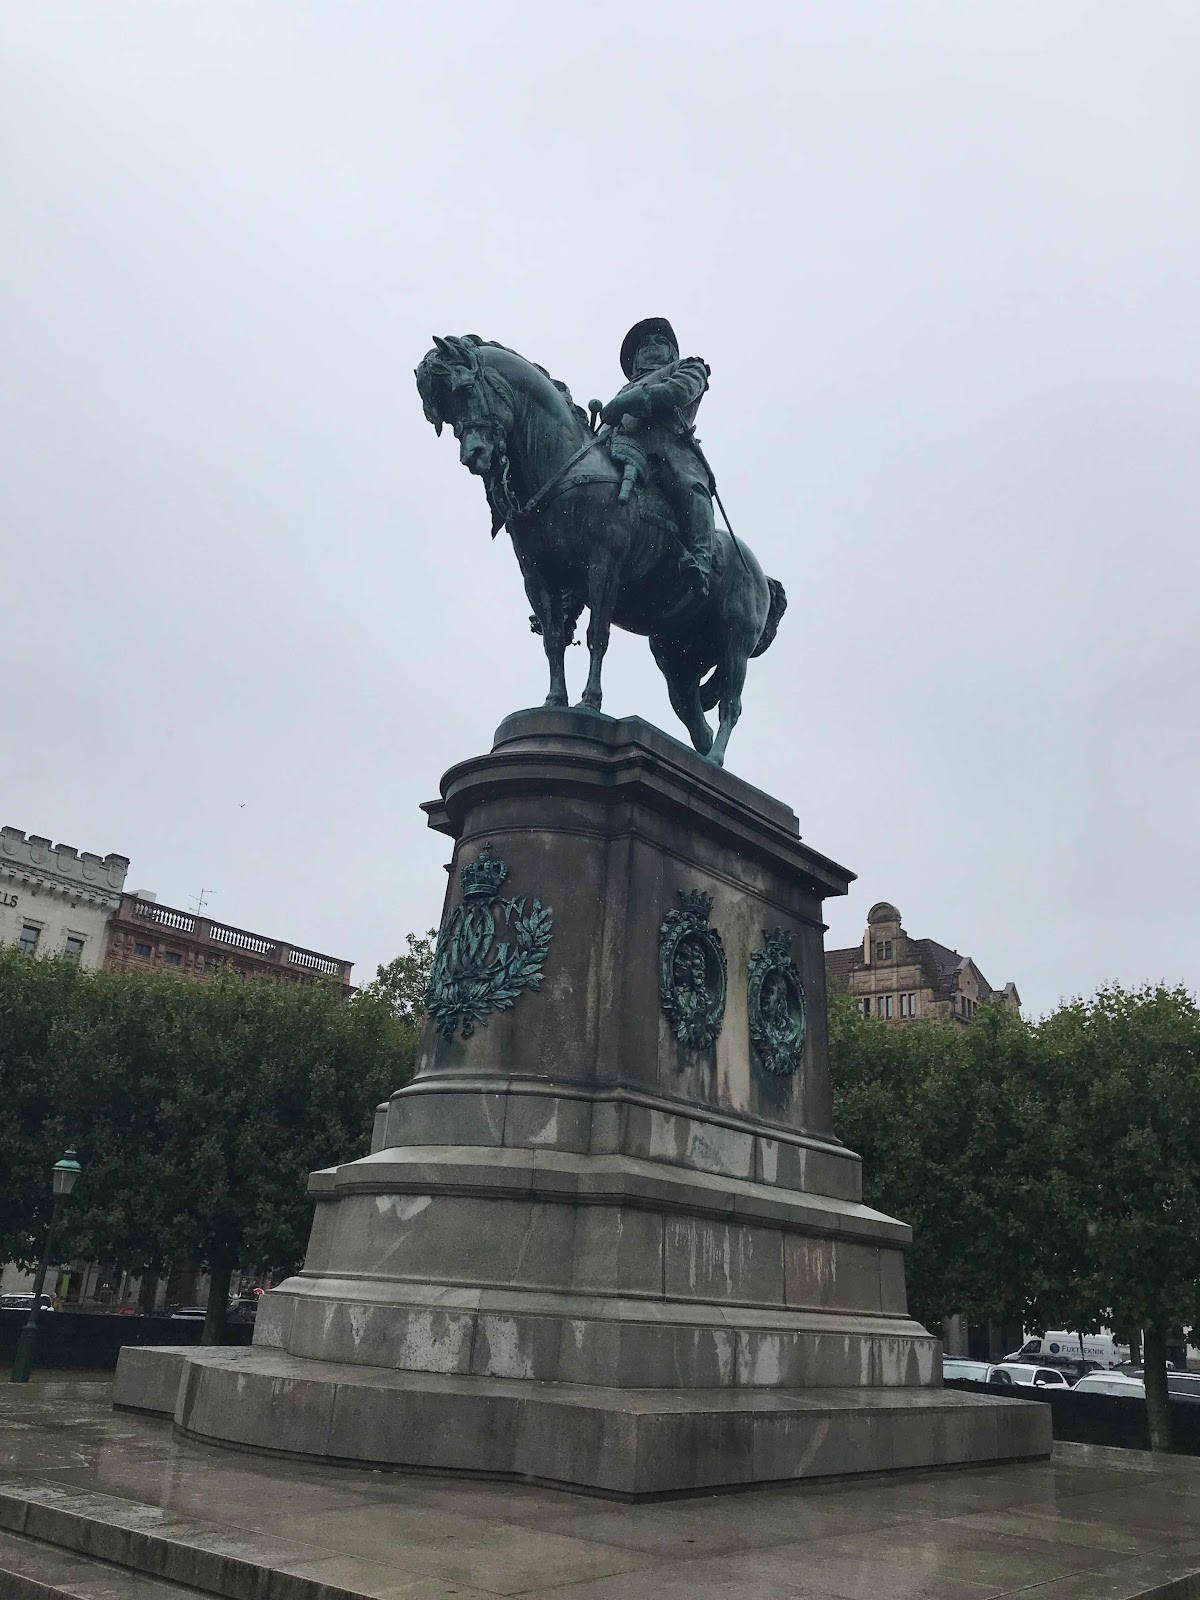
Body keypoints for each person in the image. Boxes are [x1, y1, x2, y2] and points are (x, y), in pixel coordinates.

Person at [601, 317, 715, 597]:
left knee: (689, 487)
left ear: (672, 353)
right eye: (644, 345)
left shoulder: (689, 367)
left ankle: (701, 560)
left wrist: (628, 402)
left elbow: (679, 390)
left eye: (660, 341)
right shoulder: (622, 390)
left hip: (665, 452)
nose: (652, 346)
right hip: (618, 453)